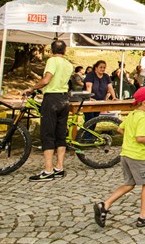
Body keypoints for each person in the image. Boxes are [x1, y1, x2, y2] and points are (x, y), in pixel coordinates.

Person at [93, 86, 145, 228]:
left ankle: (105, 205)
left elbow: (120, 128)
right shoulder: (143, 117)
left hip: (126, 154)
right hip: (137, 156)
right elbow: (140, 138)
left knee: (129, 184)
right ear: (144, 102)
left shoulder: (132, 114)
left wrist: (130, 138)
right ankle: (143, 216)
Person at [26, 39, 74, 181]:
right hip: (64, 99)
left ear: (51, 51)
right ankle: (59, 167)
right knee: (60, 134)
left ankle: (48, 170)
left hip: (52, 98)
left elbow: (47, 80)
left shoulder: (53, 61)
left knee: (48, 134)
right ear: (64, 51)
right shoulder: (68, 64)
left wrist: (33, 87)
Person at [83, 60, 116, 126]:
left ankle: (91, 135)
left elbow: (110, 87)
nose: (102, 69)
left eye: (104, 67)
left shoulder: (106, 76)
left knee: (95, 120)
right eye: (101, 67)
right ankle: (86, 135)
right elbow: (88, 87)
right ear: (96, 68)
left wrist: (114, 97)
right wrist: (89, 97)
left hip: (100, 101)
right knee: (89, 120)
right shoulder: (90, 75)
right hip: (90, 101)